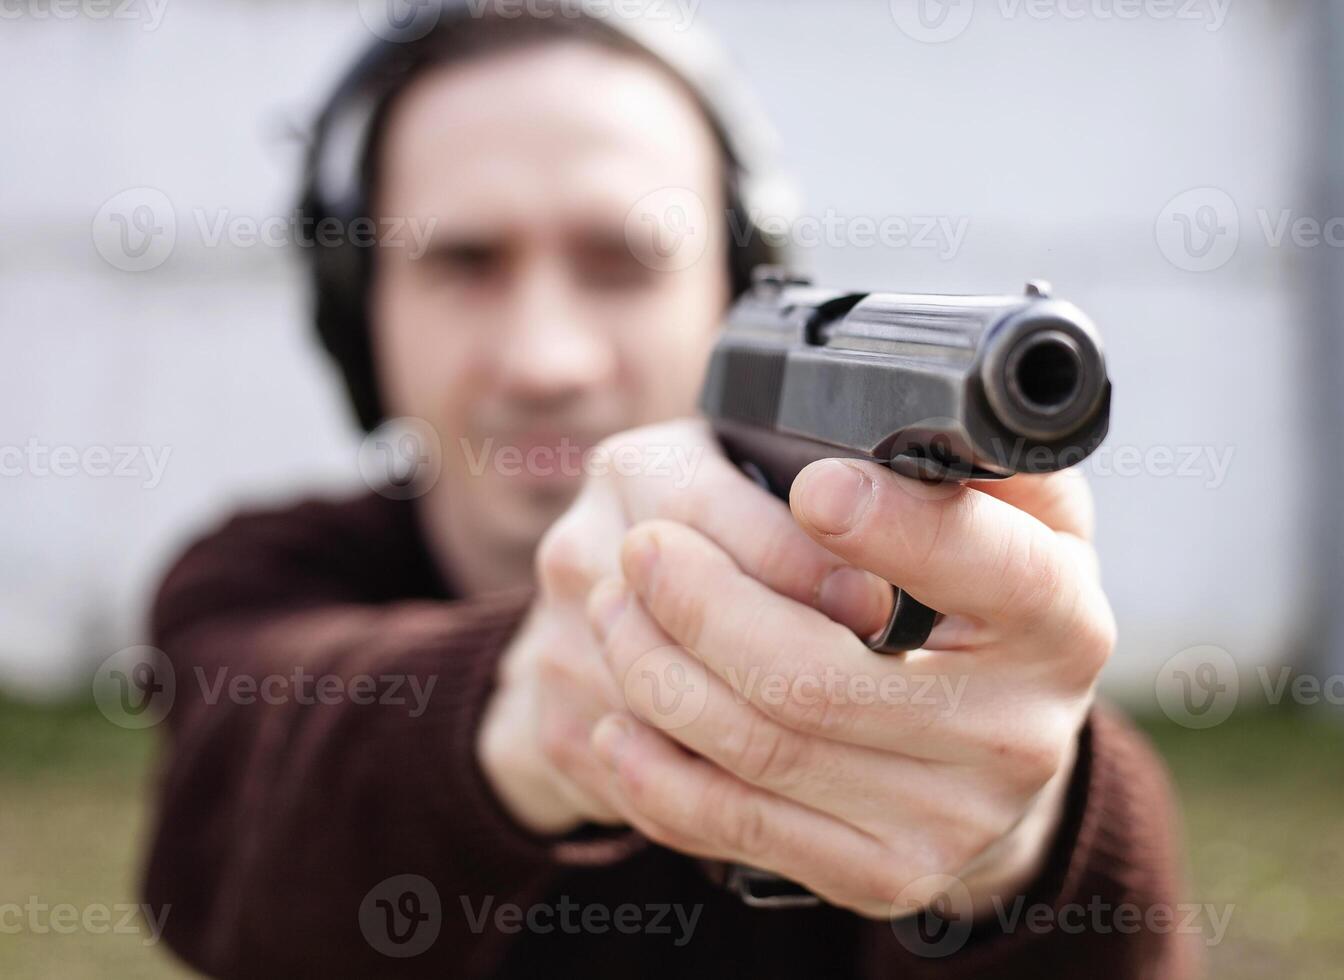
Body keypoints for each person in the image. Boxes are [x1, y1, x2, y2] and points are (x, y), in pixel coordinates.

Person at [141, 5, 1194, 977]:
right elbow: (222, 845)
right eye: (463, 262)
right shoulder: (252, 581)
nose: (546, 359)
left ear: (731, 289)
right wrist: (527, 712)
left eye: (624, 260)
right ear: (354, 309)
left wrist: (1026, 842)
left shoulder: (880, 618)